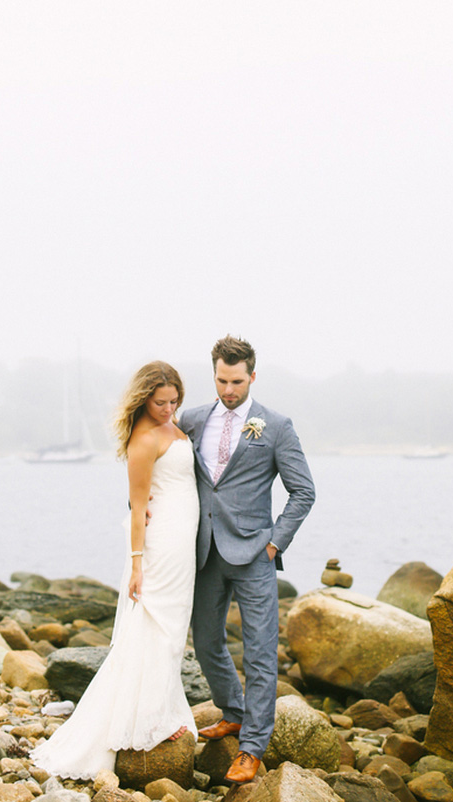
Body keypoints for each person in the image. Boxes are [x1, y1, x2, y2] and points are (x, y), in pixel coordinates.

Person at [31, 361, 199, 779]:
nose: (168, 408)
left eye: (174, 401)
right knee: (155, 625)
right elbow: (138, 507)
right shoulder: (143, 440)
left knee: (175, 627)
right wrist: (137, 564)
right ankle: (149, 720)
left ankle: (159, 707)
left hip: (183, 544)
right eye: (160, 402)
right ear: (145, 398)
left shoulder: (175, 426)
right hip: (159, 549)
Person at [179, 335, 316, 785]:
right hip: (205, 550)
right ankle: (233, 712)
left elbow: (303, 491)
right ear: (214, 374)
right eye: (221, 380)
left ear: (252, 376)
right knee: (205, 640)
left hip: (255, 551)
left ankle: (252, 746)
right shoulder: (194, 420)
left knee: (259, 651)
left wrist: (275, 543)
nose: (229, 390)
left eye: (237, 381)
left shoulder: (275, 425)